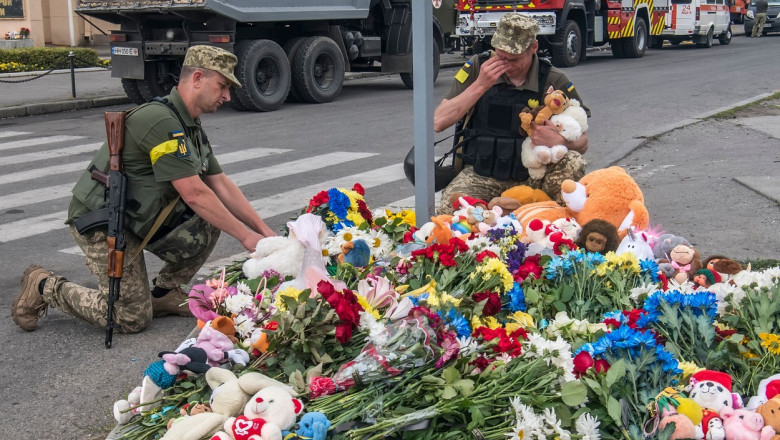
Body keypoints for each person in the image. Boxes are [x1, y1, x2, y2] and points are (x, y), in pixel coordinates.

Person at [12, 45, 277, 334]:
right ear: (197, 78)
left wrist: (265, 233)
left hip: (138, 216)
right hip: (101, 222)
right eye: (223, 85)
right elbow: (194, 194)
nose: (227, 95)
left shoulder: (189, 125)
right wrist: (246, 236)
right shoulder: (161, 120)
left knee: (211, 218)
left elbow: (220, 184)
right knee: (130, 318)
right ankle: (43, 284)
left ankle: (163, 294)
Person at [433, 13, 590, 215]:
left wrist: (561, 141)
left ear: (533, 48)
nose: (505, 64)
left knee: (573, 162)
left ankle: (555, 227)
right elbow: (439, 121)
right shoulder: (477, 68)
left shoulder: (553, 79)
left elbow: (584, 142)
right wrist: (481, 85)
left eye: (513, 59)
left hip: (532, 177)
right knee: (452, 211)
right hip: (483, 174)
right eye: (501, 56)